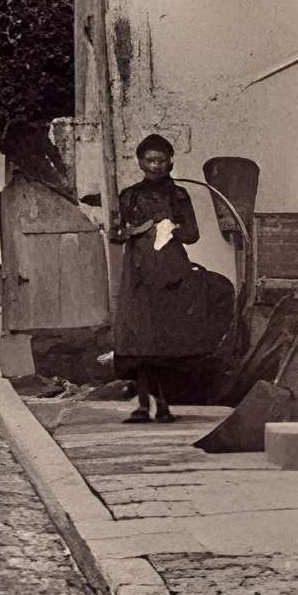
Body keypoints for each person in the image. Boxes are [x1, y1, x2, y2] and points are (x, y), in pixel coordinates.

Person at [110, 133, 231, 423]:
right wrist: (139, 230)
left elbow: (193, 234)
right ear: (140, 162)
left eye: (161, 160)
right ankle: (141, 405)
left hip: (171, 272)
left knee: (166, 341)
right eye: (150, 160)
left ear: (170, 162)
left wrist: (171, 229)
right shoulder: (129, 196)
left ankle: (163, 406)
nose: (156, 165)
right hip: (138, 274)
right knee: (138, 340)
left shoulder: (178, 195)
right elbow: (117, 234)